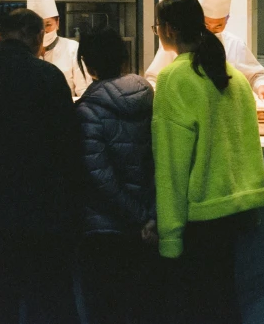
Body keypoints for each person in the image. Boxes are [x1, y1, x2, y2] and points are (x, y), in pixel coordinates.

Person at [0, 8, 83, 324]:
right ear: (36, 37)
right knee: (46, 296)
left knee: (2, 296)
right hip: (42, 206)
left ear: (1, 35)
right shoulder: (49, 77)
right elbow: (68, 145)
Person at [151, 0, 264, 324]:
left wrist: (170, 236)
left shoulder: (174, 78)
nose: (157, 32)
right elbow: (245, 142)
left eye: (156, 27)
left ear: (170, 30)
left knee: (195, 309)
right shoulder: (230, 73)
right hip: (233, 210)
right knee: (222, 302)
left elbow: (171, 166)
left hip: (199, 217)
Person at [74, 26, 158, 324]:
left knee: (107, 311)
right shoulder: (149, 94)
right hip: (149, 226)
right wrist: (149, 216)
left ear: (88, 64)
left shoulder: (86, 110)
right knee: (143, 309)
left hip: (105, 229)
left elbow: (99, 176)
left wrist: (137, 216)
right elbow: (161, 159)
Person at [145, 0, 264, 103]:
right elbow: (153, 79)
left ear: (227, 20)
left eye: (219, 26)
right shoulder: (175, 47)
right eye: (207, 25)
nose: (212, 31)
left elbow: (256, 75)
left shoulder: (234, 45)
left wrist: (262, 87)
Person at [26, 0, 92, 96]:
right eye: (37, 27)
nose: (43, 32)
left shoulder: (72, 49)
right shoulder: (24, 53)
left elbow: (84, 92)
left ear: (58, 23)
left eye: (48, 25)